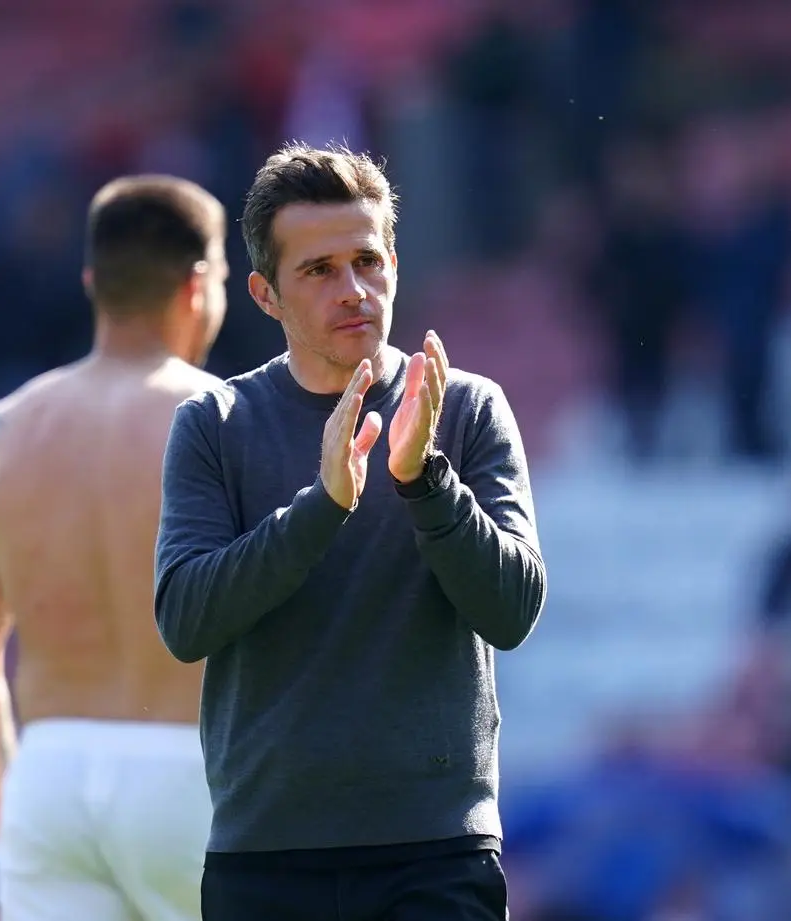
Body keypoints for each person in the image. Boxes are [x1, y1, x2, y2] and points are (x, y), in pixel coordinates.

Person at [155, 143, 548, 920]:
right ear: (265, 295)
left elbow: (512, 611)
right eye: (320, 270)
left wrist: (425, 479)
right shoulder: (215, 424)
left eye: (368, 261)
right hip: (267, 858)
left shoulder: (467, 409)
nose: (354, 289)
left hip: (438, 851)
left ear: (395, 262)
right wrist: (322, 504)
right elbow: (185, 619)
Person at [0, 175, 229, 921]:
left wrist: (5, 789)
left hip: (50, 776)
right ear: (198, 286)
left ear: (93, 281)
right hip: (194, 771)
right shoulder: (228, 419)